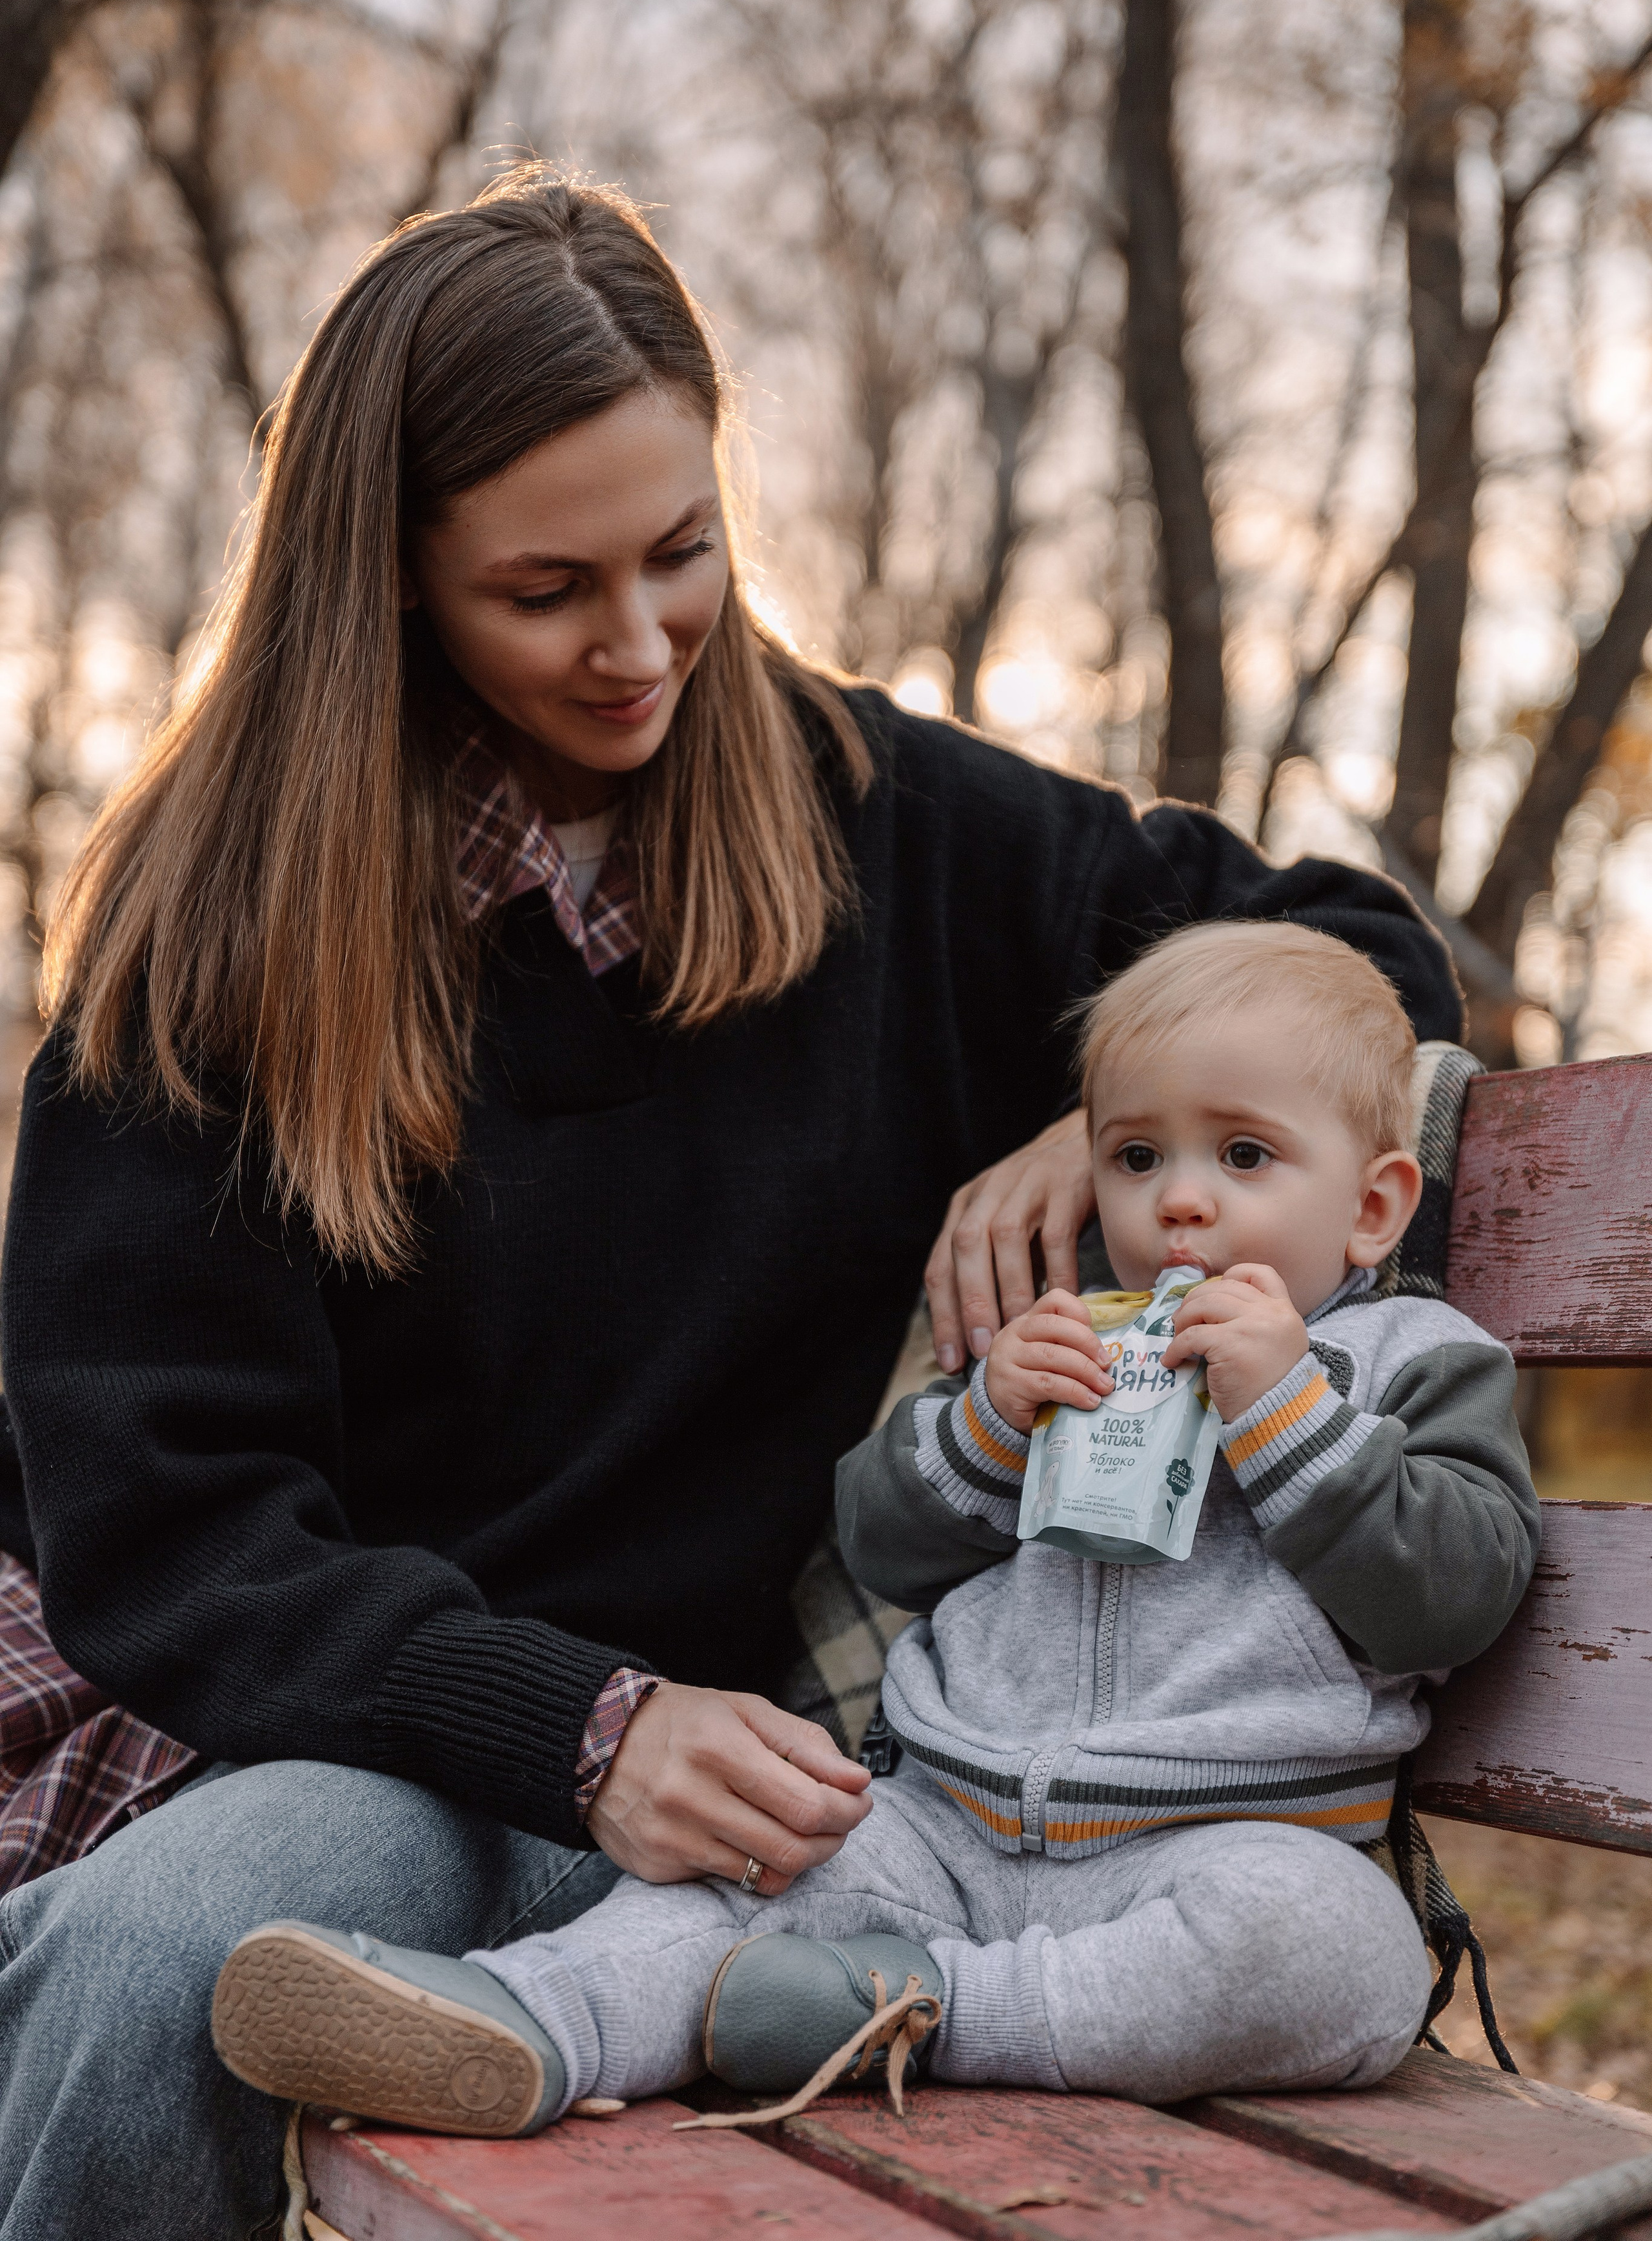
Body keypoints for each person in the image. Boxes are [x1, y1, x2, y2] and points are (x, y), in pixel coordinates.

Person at [0, 170, 1462, 2241]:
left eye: (682, 553)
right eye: (548, 589)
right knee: (168, 1959)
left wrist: (1102, 1114)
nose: (639, 645)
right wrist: (580, 1731)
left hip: (739, 1817)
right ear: (392, 577)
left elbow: (1354, 949)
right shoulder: (213, 948)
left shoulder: (881, 820)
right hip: (341, 1734)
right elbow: (172, 1532)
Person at [209, 921, 1540, 2129]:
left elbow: (1454, 1596)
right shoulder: (1067, 1344)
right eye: (1136, 1157)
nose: (1178, 1200)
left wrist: (1289, 1413)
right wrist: (988, 1424)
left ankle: (924, 2011)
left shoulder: (1408, 1363)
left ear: (1372, 1206)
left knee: (1339, 1953)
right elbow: (884, 1542)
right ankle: (527, 2020)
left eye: (1242, 1156)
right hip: (942, 1824)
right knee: (745, 1878)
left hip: (1221, 1849)